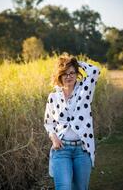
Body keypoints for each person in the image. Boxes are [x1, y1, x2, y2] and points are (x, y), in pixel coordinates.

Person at [44, 54, 101, 190]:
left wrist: (75, 63)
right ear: (59, 75)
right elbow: (48, 122)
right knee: (63, 187)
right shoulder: (53, 97)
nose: (69, 76)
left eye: (72, 73)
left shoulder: (85, 90)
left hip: (82, 149)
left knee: (81, 188)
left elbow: (95, 70)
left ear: (77, 74)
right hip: (61, 150)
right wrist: (53, 138)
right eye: (65, 73)